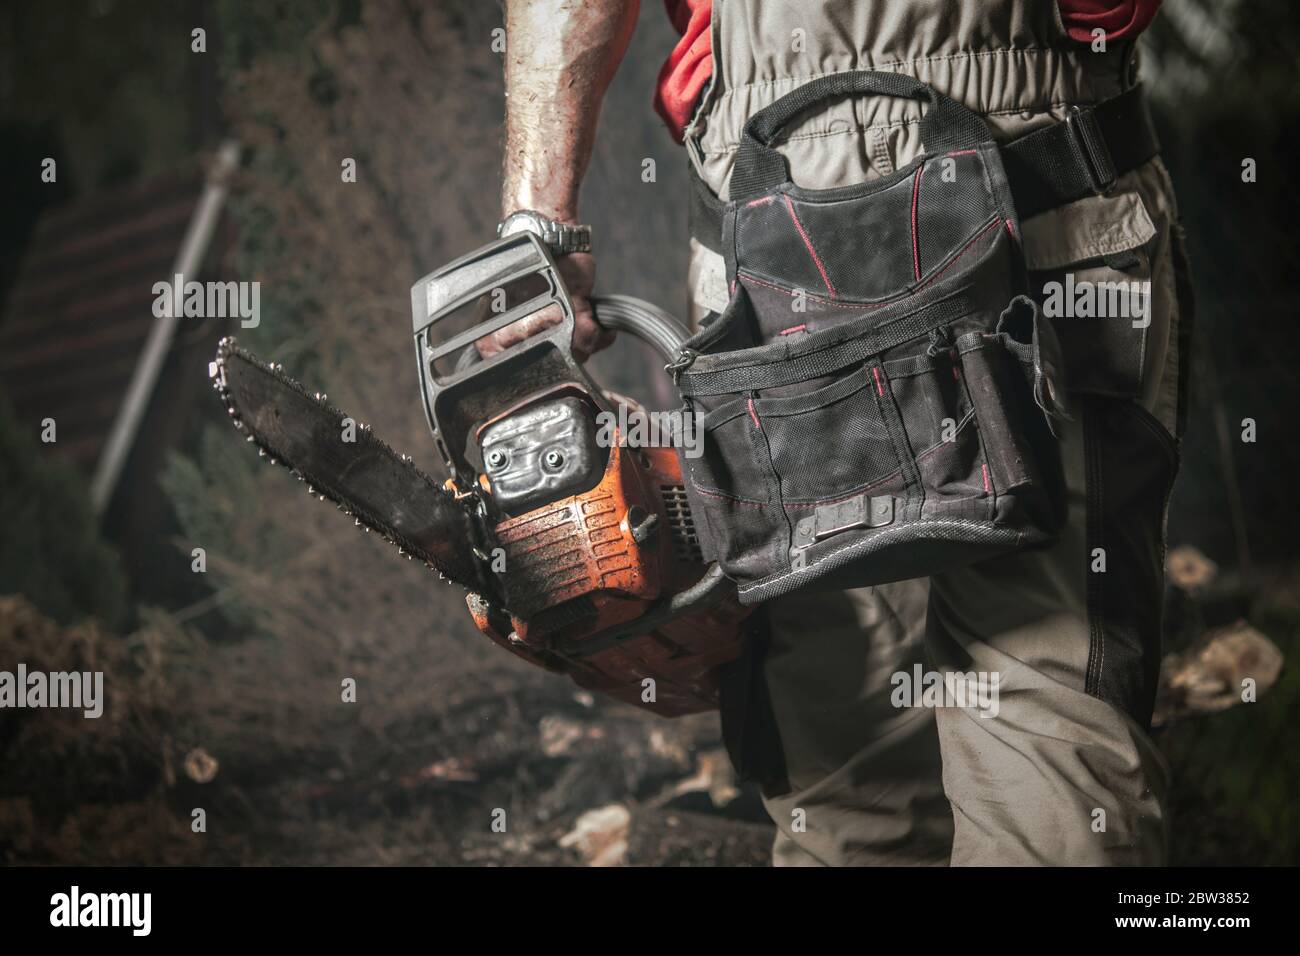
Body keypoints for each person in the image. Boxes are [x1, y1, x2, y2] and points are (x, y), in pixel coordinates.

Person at [487, 0, 1190, 866]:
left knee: (844, 777)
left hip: (770, 220)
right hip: (1038, 175)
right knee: (1046, 732)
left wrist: (539, 220)